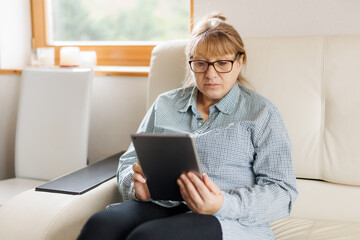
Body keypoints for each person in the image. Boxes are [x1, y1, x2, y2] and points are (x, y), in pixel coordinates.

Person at [78, 13, 298, 240]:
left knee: (149, 237)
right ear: (190, 63)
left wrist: (222, 203)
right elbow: (127, 162)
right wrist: (137, 189)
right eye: (201, 64)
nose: (211, 74)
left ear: (239, 62)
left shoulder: (261, 113)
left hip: (225, 217)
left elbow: (282, 192)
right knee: (100, 225)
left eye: (222, 63)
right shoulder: (165, 104)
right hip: (162, 205)